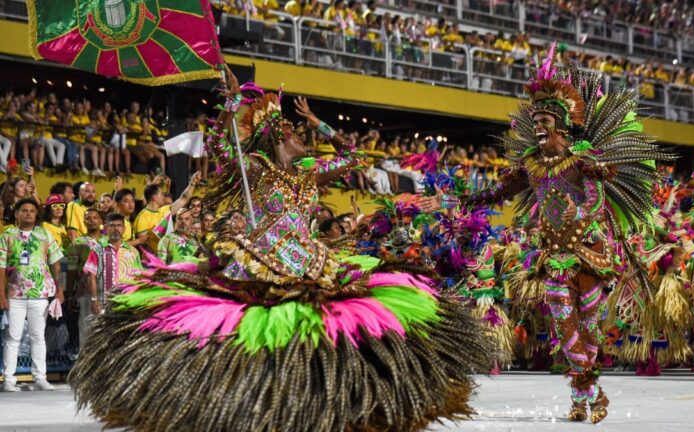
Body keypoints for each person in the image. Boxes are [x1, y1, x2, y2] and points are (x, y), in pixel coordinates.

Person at [69, 68, 492, 431]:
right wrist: (232, 105)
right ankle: (244, 397)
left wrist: (319, 123)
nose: (301, 136)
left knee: (313, 324)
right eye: (293, 132)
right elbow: (221, 148)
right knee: (258, 326)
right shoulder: (257, 168)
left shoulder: (309, 172)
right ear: (275, 139)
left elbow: (355, 157)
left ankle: (320, 396)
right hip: (261, 259)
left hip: (309, 259)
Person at [421, 43, 673, 423]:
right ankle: (594, 392)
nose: (538, 125)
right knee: (565, 326)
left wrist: (579, 212)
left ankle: (580, 397)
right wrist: (453, 200)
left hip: (589, 254)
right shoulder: (531, 164)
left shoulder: (583, 158)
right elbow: (495, 193)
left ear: (562, 122)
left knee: (589, 329)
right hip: (553, 258)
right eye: (535, 119)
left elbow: (595, 201)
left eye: (545, 119)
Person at [0, 198, 64, 392]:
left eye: (32, 211)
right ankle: (8, 379)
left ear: (36, 215)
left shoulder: (44, 234)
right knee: (12, 337)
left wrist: (60, 289)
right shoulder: (7, 235)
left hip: (40, 294)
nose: (28, 213)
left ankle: (40, 378)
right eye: (24, 210)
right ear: (16, 213)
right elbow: (1, 267)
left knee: (38, 337)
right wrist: (1, 295)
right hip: (14, 294)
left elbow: (56, 264)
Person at [80, 213, 142, 341]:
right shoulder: (98, 250)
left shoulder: (133, 251)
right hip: (104, 303)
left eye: (119, 226)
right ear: (106, 228)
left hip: (126, 303)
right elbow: (91, 276)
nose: (116, 229)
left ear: (124, 229)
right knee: (101, 339)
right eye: (112, 226)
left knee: (123, 339)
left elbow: (139, 279)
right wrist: (94, 300)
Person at [133, 173, 200, 254]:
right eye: (161, 194)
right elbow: (144, 245)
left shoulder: (164, 210)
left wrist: (193, 183)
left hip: (168, 256)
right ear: (154, 197)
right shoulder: (142, 218)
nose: (163, 196)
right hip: (153, 259)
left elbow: (183, 199)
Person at [67, 208, 104, 347]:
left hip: (108, 291)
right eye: (88, 218)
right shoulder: (77, 243)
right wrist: (70, 295)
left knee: (105, 331)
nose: (92, 221)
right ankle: (84, 358)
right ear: (84, 222)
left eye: (95, 218)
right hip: (86, 292)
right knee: (86, 330)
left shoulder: (109, 241)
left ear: (101, 221)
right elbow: (71, 271)